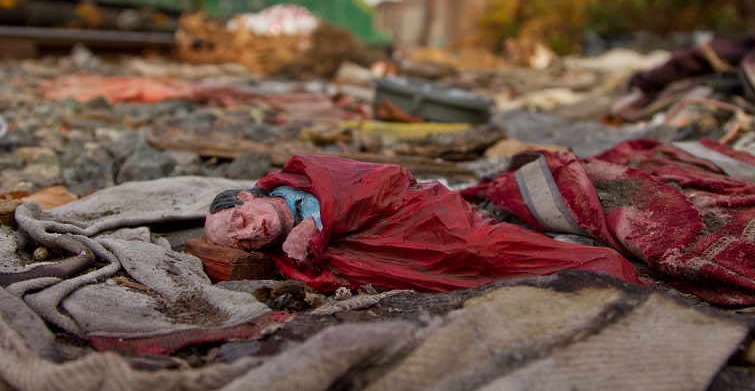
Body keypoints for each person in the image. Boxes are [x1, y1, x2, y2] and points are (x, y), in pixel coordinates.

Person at [205, 154, 639, 292]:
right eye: (242, 241)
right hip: (405, 255)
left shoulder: (305, 173)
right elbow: (336, 273)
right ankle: (570, 279)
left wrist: (319, 223)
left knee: (485, 249)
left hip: (424, 217)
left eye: (240, 219)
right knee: (470, 278)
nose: (251, 232)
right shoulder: (285, 256)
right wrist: (311, 257)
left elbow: (385, 179)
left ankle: (595, 264)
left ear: (247, 197)